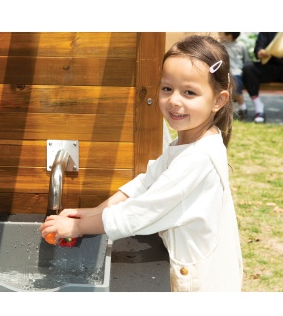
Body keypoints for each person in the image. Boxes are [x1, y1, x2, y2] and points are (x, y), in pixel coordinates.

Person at [40, 35, 243, 292]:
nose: (174, 100)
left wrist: (79, 226)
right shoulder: (193, 140)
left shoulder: (199, 157)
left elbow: (142, 211)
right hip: (191, 266)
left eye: (189, 92)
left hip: (200, 284)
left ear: (218, 100)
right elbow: (146, 183)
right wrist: (91, 212)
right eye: (167, 88)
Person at [242, 32, 283, 123]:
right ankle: (259, 108)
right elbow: (258, 48)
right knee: (248, 68)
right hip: (268, 67)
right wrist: (260, 52)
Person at [219, 32, 250, 120]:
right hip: (224, 72)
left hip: (237, 72)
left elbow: (246, 60)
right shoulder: (220, 45)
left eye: (221, 33)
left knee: (237, 90)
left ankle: (243, 108)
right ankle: (224, 112)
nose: (219, 35)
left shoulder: (241, 45)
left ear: (229, 35)